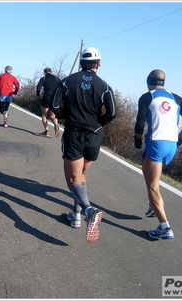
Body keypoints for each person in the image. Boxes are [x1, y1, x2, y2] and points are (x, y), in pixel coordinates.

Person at [50, 47, 118, 243]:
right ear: (98, 64)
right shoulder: (104, 85)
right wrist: (98, 123)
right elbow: (112, 112)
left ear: (81, 63)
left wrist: (66, 116)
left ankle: (88, 211)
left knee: (73, 180)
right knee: (81, 175)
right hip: (94, 136)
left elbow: (54, 106)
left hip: (73, 134)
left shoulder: (67, 81)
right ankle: (75, 217)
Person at [134, 69, 182, 240]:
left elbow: (139, 125)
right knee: (152, 179)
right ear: (163, 83)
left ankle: (164, 226)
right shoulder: (176, 97)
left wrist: (137, 139)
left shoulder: (146, 97)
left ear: (148, 82)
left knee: (153, 186)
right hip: (171, 145)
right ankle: (153, 206)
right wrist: (180, 138)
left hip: (156, 143)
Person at [36, 68, 61, 137]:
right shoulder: (57, 79)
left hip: (46, 98)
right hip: (55, 99)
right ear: (51, 72)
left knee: (44, 115)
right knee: (52, 116)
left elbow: (38, 88)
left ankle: (46, 131)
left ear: (44, 73)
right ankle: (56, 125)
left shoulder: (43, 79)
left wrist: (38, 95)